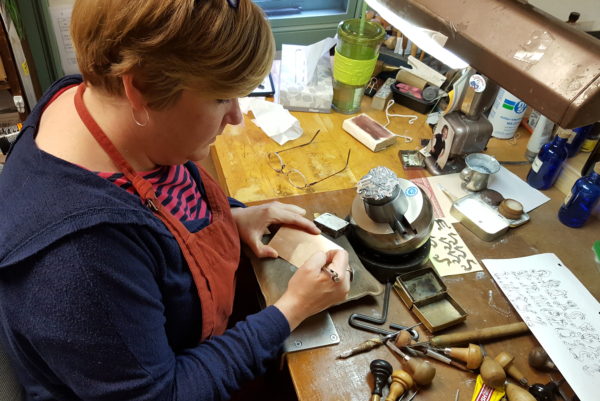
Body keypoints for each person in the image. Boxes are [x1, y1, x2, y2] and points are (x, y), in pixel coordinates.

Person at [0, 1, 351, 400]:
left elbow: (165, 197)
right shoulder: (80, 257)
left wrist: (232, 216)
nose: (236, 117)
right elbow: (164, 394)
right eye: (222, 99)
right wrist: (290, 311)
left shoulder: (85, 98)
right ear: (142, 89)